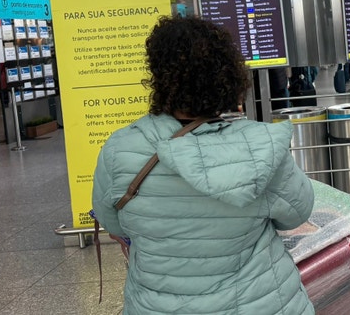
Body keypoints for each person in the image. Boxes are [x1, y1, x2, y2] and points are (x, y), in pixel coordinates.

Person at [92, 16, 314, 315]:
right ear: (228, 75)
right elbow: (297, 212)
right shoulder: (261, 147)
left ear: (158, 75)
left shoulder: (120, 149)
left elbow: (114, 222)